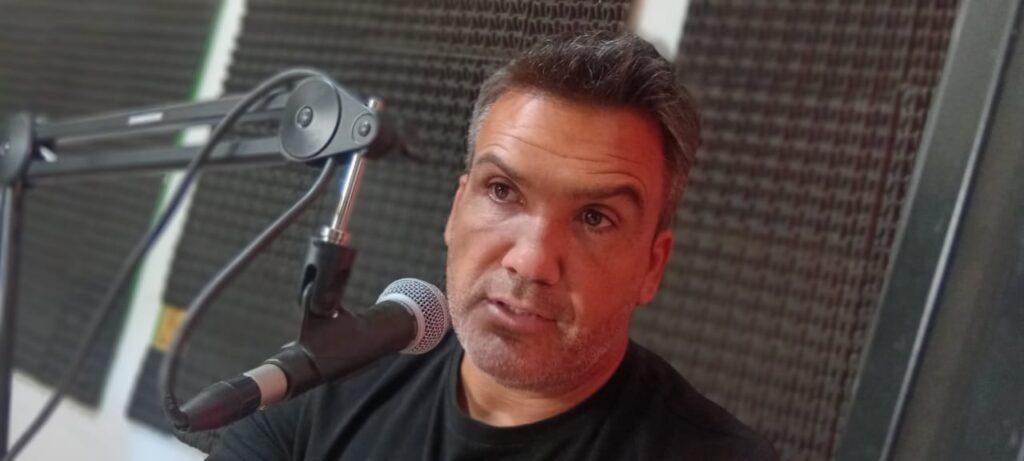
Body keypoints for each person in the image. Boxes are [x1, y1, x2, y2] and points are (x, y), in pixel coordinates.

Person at [208, 31, 777, 460]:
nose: (530, 261)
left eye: (595, 217)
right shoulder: (321, 387)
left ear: (652, 265)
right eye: (503, 191)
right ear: (457, 208)